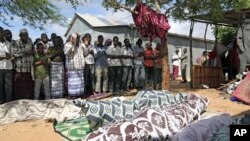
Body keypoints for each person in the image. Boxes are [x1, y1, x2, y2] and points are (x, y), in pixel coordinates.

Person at [12, 28, 34, 100]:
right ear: (20, 35)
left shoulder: (30, 42)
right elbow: (14, 53)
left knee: (28, 87)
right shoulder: (16, 43)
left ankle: (28, 100)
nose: (24, 36)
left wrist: (33, 52)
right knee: (20, 86)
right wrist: (25, 52)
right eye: (23, 35)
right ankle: (19, 100)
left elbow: (33, 51)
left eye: (26, 35)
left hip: (28, 68)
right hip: (20, 68)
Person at [64, 33, 85, 97]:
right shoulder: (67, 45)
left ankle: (79, 94)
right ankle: (72, 94)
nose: (77, 40)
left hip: (79, 65)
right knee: (72, 81)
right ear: (72, 38)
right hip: (71, 65)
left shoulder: (80, 45)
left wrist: (83, 63)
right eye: (76, 38)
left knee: (79, 80)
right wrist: (72, 46)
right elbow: (66, 53)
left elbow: (82, 54)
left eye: (78, 38)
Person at [0, 28, 13, 103]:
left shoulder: (9, 44)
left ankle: (9, 103)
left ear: (4, 33)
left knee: (8, 87)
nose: (0, 34)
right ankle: (1, 102)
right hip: (0, 67)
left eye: (2, 32)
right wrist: (5, 57)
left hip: (8, 67)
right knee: (0, 86)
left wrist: (10, 56)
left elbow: (12, 56)